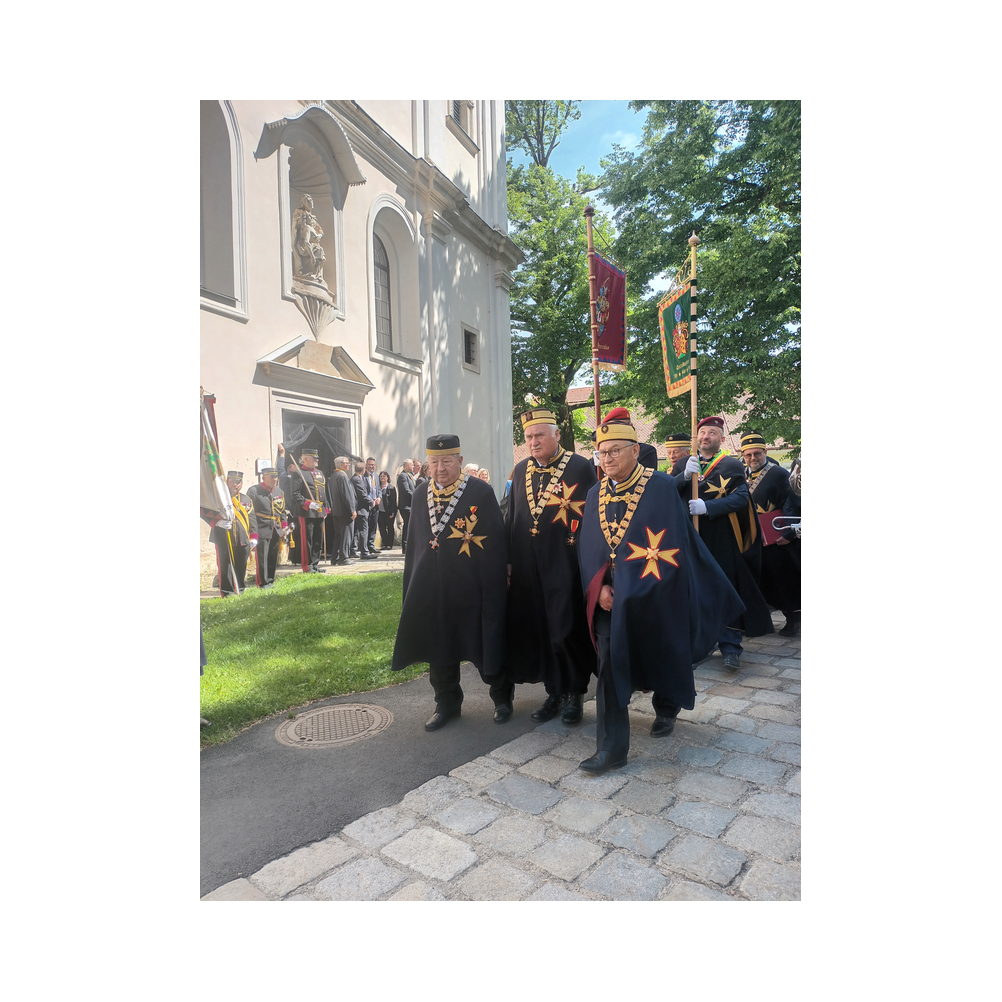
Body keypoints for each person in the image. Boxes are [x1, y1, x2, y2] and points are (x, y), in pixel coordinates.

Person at [577, 410, 744, 774]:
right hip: (611, 602)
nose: (606, 460)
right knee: (609, 666)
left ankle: (666, 709)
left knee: (663, 651)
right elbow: (589, 547)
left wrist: (634, 589)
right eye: (601, 453)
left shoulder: (662, 488)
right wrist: (600, 585)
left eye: (614, 451)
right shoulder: (594, 493)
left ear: (635, 451)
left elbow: (673, 548)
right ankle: (612, 749)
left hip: (656, 596)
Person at [391, 434, 509, 731]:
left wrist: (495, 583)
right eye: (434, 462)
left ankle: (502, 698)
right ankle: (447, 703)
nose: (440, 468)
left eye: (446, 461)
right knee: (439, 645)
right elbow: (416, 542)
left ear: (459, 460)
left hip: (472, 587)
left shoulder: (480, 492)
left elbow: (496, 542)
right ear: (427, 464)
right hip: (433, 589)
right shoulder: (420, 494)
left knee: (483, 642)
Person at [503, 408, 597, 725]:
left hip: (565, 563)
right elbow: (512, 518)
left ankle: (575, 694)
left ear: (556, 434)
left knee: (565, 629)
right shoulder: (521, 470)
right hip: (529, 567)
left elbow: (592, 519)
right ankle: (554, 691)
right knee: (540, 630)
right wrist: (509, 561)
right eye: (529, 437)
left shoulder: (580, 468)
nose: (533, 442)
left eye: (539, 435)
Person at [673, 416, 774, 668]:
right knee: (695, 590)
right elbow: (666, 493)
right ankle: (700, 645)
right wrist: (683, 477)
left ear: (721, 439)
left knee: (725, 587)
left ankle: (730, 647)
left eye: (712, 433)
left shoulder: (730, 465)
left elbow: (742, 498)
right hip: (690, 538)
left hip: (722, 539)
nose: (706, 437)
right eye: (703, 432)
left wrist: (708, 506)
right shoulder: (684, 463)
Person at [741, 432, 801, 636]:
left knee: (784, 580)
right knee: (763, 580)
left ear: (765, 452)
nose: (753, 458)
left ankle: (794, 618)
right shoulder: (742, 475)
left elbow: (791, 503)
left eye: (757, 453)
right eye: (748, 455)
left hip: (777, 538)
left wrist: (788, 532)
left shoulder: (778, 474)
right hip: (753, 538)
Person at [205, 471, 258, 596]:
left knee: (241, 564)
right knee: (225, 565)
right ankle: (227, 591)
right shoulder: (218, 498)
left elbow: (252, 518)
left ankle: (239, 588)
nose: (236, 485)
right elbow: (205, 511)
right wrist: (216, 523)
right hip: (223, 537)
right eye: (234, 481)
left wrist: (254, 536)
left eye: (239, 482)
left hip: (242, 538)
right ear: (227, 482)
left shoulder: (246, 499)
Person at [246, 467, 288, 588]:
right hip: (262, 527)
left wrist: (284, 526)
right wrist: (253, 532)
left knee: (273, 556)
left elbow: (283, 511)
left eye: (276, 477)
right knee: (262, 557)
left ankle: (270, 580)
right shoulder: (254, 491)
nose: (275, 480)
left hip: (276, 528)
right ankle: (263, 582)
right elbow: (251, 513)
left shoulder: (279, 492)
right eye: (271, 478)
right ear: (263, 478)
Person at [291, 449, 329, 574]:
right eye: (314, 458)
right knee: (308, 539)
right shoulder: (298, 474)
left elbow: (323, 491)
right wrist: (308, 503)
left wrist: (326, 508)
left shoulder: (319, 473)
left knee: (318, 538)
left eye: (317, 458)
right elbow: (295, 494)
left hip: (319, 510)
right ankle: (307, 566)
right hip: (306, 512)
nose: (317, 460)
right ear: (305, 459)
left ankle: (315, 564)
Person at [328, 456, 357, 565]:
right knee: (346, 535)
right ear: (341, 465)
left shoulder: (334, 476)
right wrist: (352, 509)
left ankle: (334, 558)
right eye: (346, 463)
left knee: (338, 535)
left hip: (337, 511)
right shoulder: (342, 477)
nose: (348, 465)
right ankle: (344, 558)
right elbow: (347, 495)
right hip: (345, 511)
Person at [349, 461, 377, 560]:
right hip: (361, 509)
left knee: (357, 531)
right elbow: (362, 494)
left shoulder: (356, 478)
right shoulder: (357, 479)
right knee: (364, 530)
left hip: (359, 509)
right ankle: (364, 552)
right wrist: (371, 502)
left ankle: (354, 549)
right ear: (363, 470)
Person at [363, 457, 382, 556]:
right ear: (366, 465)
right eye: (370, 465)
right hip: (367, 505)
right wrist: (370, 501)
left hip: (376, 505)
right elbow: (363, 491)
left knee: (374, 526)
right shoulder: (363, 476)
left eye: (373, 465)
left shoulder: (376, 476)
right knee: (366, 527)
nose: (372, 467)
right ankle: (365, 546)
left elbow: (379, 488)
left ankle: (371, 545)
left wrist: (379, 497)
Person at [396, 461, 415, 554]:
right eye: (412, 465)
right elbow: (406, 490)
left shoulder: (410, 475)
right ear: (407, 466)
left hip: (411, 505)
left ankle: (409, 545)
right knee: (407, 525)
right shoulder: (403, 476)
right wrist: (416, 496)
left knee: (410, 525)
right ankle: (405, 546)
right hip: (406, 506)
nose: (413, 466)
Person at [378, 471, 398, 550]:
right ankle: (384, 543)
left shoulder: (391, 488)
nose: (382, 478)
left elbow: (393, 501)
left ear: (387, 477)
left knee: (390, 527)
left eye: (384, 476)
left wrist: (392, 512)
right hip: (380, 511)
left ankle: (390, 544)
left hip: (388, 511)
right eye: (381, 476)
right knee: (382, 527)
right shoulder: (377, 487)